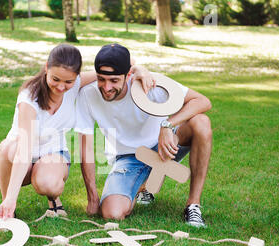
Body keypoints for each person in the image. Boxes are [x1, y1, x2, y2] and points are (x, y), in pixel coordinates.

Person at [0, 43, 155, 220]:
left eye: (68, 81)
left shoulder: (77, 84)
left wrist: (142, 70)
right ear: (46, 68)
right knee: (8, 148)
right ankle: (7, 207)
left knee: (48, 183)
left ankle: (53, 200)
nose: (61, 87)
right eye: (55, 79)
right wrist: (11, 198)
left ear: (77, 77)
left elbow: (124, 63)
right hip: (19, 154)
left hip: (52, 153)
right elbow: (24, 149)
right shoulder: (29, 98)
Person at [75, 43, 212, 227]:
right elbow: (85, 148)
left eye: (114, 80)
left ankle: (193, 205)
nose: (106, 87)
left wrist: (168, 124)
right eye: (101, 79)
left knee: (201, 122)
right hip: (128, 158)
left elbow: (202, 101)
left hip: (165, 146)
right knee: (112, 213)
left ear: (128, 75)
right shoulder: (87, 94)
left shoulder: (150, 84)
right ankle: (146, 184)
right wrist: (92, 198)